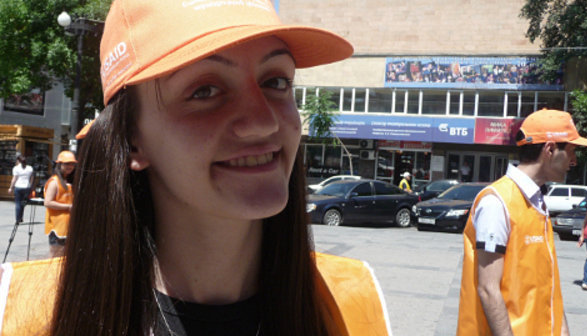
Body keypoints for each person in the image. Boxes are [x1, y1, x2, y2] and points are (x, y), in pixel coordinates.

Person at [0, 1, 390, 335]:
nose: (264, 122)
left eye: (276, 81)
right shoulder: (20, 313)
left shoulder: (353, 302)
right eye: (204, 90)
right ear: (132, 139)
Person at [457, 109, 587, 335]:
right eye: (571, 151)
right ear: (549, 149)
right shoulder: (497, 202)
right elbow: (487, 288)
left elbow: (546, 283)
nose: (574, 161)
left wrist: (561, 328)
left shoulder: (537, 201)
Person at [43, 150, 77, 258]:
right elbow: (48, 203)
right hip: (57, 228)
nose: (70, 166)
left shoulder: (70, 182)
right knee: (56, 259)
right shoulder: (54, 182)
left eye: (72, 164)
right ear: (59, 164)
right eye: (67, 164)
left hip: (69, 228)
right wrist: (69, 207)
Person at [7, 155, 34, 224]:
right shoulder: (30, 168)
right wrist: (30, 185)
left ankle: (18, 219)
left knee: (18, 203)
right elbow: (31, 178)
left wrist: (11, 188)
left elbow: (14, 179)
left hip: (18, 187)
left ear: (18, 161)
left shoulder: (16, 168)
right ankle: (21, 217)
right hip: (26, 187)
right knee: (23, 203)